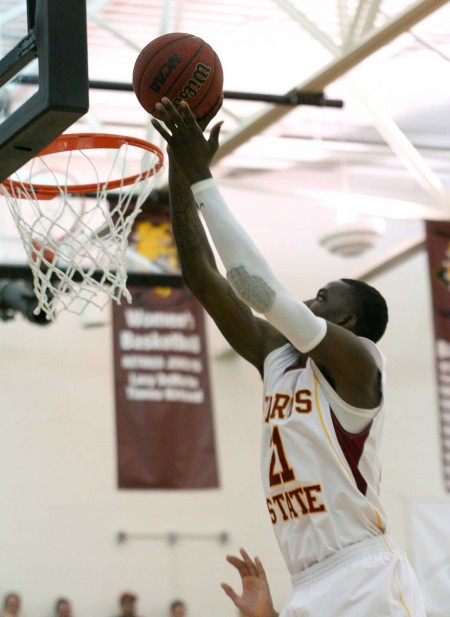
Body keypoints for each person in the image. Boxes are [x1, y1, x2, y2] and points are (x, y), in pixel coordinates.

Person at [151, 98, 426, 616]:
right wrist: (180, 170)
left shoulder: (361, 368)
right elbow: (203, 278)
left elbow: (258, 288)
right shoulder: (276, 355)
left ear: (346, 325)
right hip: (307, 583)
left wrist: (204, 174)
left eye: (323, 297)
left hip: (364, 574)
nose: (309, 300)